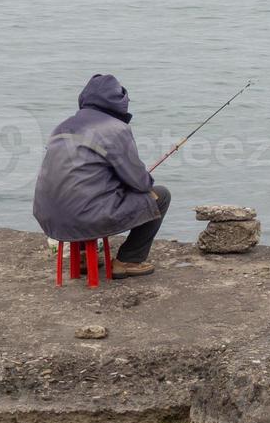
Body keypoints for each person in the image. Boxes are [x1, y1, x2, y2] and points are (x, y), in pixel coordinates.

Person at [33, 74, 171, 279]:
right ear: (120, 103)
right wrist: (145, 180)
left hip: (47, 215)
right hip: (83, 217)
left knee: (80, 192)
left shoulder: (62, 126)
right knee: (160, 195)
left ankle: (81, 256)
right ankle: (128, 260)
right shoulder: (116, 129)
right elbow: (140, 183)